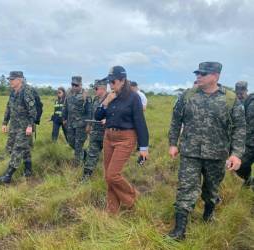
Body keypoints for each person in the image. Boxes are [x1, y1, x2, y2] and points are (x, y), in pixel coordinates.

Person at [168, 62, 246, 240]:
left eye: (203, 74)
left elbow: (240, 128)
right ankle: (179, 230)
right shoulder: (187, 96)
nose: (199, 76)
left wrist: (236, 154)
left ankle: (208, 214)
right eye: (198, 73)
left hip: (217, 155)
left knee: (211, 191)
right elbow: (175, 120)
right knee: (186, 188)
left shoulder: (230, 99)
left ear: (215, 76)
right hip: (190, 152)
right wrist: (173, 143)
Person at [95, 66, 149, 214]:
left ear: (123, 80)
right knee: (108, 176)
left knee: (113, 175)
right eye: (109, 82)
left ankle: (132, 198)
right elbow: (97, 116)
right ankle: (112, 210)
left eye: (113, 81)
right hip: (109, 137)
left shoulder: (133, 98)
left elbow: (140, 122)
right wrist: (105, 102)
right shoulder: (110, 96)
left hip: (126, 138)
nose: (111, 85)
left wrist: (143, 148)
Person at [0, 71, 37, 184]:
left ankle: (7, 177)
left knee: (17, 149)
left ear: (20, 80)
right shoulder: (13, 92)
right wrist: (4, 123)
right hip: (14, 125)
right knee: (18, 148)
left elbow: (33, 111)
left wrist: (30, 126)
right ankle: (28, 171)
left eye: (12, 79)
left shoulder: (27, 91)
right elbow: (8, 108)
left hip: (24, 127)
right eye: (10, 79)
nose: (10, 81)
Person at [81, 79, 108, 182]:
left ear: (103, 88)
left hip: (107, 134)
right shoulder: (95, 100)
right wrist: (89, 125)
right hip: (95, 133)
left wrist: (108, 120)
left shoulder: (111, 99)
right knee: (91, 154)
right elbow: (92, 114)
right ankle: (86, 177)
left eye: (96, 88)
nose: (94, 90)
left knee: (108, 158)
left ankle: (109, 178)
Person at [63, 76, 92, 166]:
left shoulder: (85, 95)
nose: (74, 87)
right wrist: (64, 118)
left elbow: (89, 111)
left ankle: (76, 165)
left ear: (80, 85)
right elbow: (65, 107)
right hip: (70, 123)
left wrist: (88, 124)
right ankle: (84, 154)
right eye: (73, 85)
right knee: (71, 142)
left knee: (78, 144)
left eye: (76, 85)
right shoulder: (68, 93)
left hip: (81, 124)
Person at [235, 81, 254, 189]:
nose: (240, 94)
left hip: (249, 141)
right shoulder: (241, 103)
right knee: (241, 165)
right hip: (248, 142)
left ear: (246, 90)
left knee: (241, 164)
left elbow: (249, 127)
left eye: (242, 91)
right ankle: (248, 181)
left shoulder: (251, 104)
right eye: (238, 92)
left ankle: (248, 182)